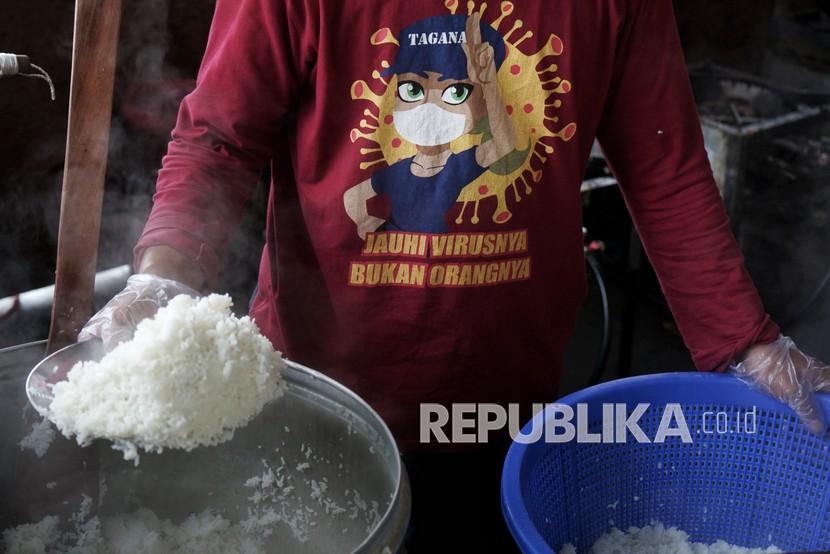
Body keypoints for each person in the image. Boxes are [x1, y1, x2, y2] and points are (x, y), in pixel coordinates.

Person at [81, 1, 830, 551]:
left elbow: (664, 165)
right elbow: (217, 138)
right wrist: (163, 281)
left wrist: (746, 340)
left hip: (507, 402)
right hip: (322, 399)